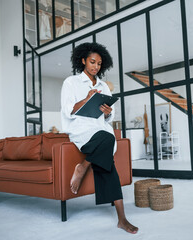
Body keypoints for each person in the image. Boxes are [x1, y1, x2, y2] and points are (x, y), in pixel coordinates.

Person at [60, 42, 138, 234]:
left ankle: (121, 218)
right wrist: (87, 99)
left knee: (108, 165)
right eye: (92, 62)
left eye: (99, 64)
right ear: (83, 60)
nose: (96, 66)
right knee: (107, 140)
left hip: (100, 130)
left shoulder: (103, 86)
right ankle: (122, 218)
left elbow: (110, 116)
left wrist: (107, 111)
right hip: (82, 130)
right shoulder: (71, 82)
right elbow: (68, 110)